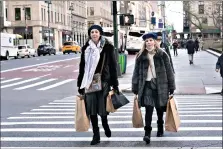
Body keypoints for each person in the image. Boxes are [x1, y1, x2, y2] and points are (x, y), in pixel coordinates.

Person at [77, 25, 120, 145]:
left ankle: (105, 124)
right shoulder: (86, 48)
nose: (94, 34)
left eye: (96, 32)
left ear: (100, 33)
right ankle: (96, 135)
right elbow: (82, 67)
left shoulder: (108, 47)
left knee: (102, 108)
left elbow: (113, 66)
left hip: (104, 81)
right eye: (92, 32)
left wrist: (115, 84)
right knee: (91, 108)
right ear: (90, 34)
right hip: (89, 82)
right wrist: (80, 84)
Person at [132, 32, 176, 144]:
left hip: (160, 85)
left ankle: (160, 126)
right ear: (144, 43)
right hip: (146, 86)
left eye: (151, 40)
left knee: (159, 108)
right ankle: (147, 133)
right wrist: (135, 86)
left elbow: (169, 71)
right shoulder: (141, 56)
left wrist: (172, 87)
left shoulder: (162, 54)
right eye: (147, 41)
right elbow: (136, 73)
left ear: (155, 42)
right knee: (148, 109)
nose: (149, 42)